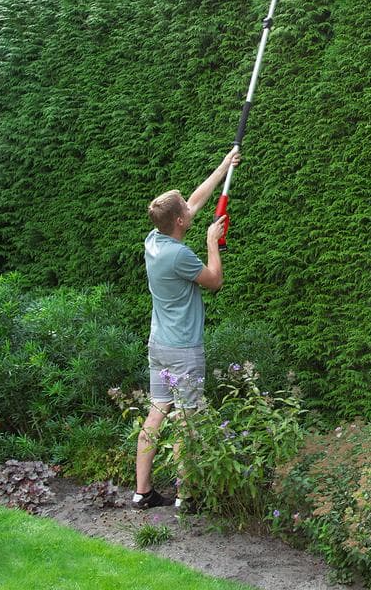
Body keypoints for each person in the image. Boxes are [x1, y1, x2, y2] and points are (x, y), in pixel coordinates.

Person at [133, 146, 241, 510]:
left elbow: (194, 201)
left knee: (157, 412)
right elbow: (214, 281)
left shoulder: (154, 240)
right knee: (186, 420)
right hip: (183, 350)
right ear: (180, 221)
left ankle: (142, 492)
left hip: (159, 345)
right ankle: (187, 496)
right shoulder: (179, 256)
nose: (190, 209)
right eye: (185, 211)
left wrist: (224, 165)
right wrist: (212, 242)